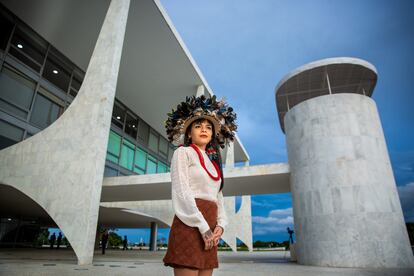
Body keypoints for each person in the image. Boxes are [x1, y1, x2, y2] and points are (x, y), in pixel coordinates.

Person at [163, 95, 237, 276]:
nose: (204, 129)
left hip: (210, 227)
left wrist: (220, 225)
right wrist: (203, 227)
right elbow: (182, 191)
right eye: (198, 126)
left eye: (208, 127)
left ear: (212, 134)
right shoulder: (183, 153)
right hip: (190, 222)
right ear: (189, 133)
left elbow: (217, 196)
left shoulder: (214, 163)